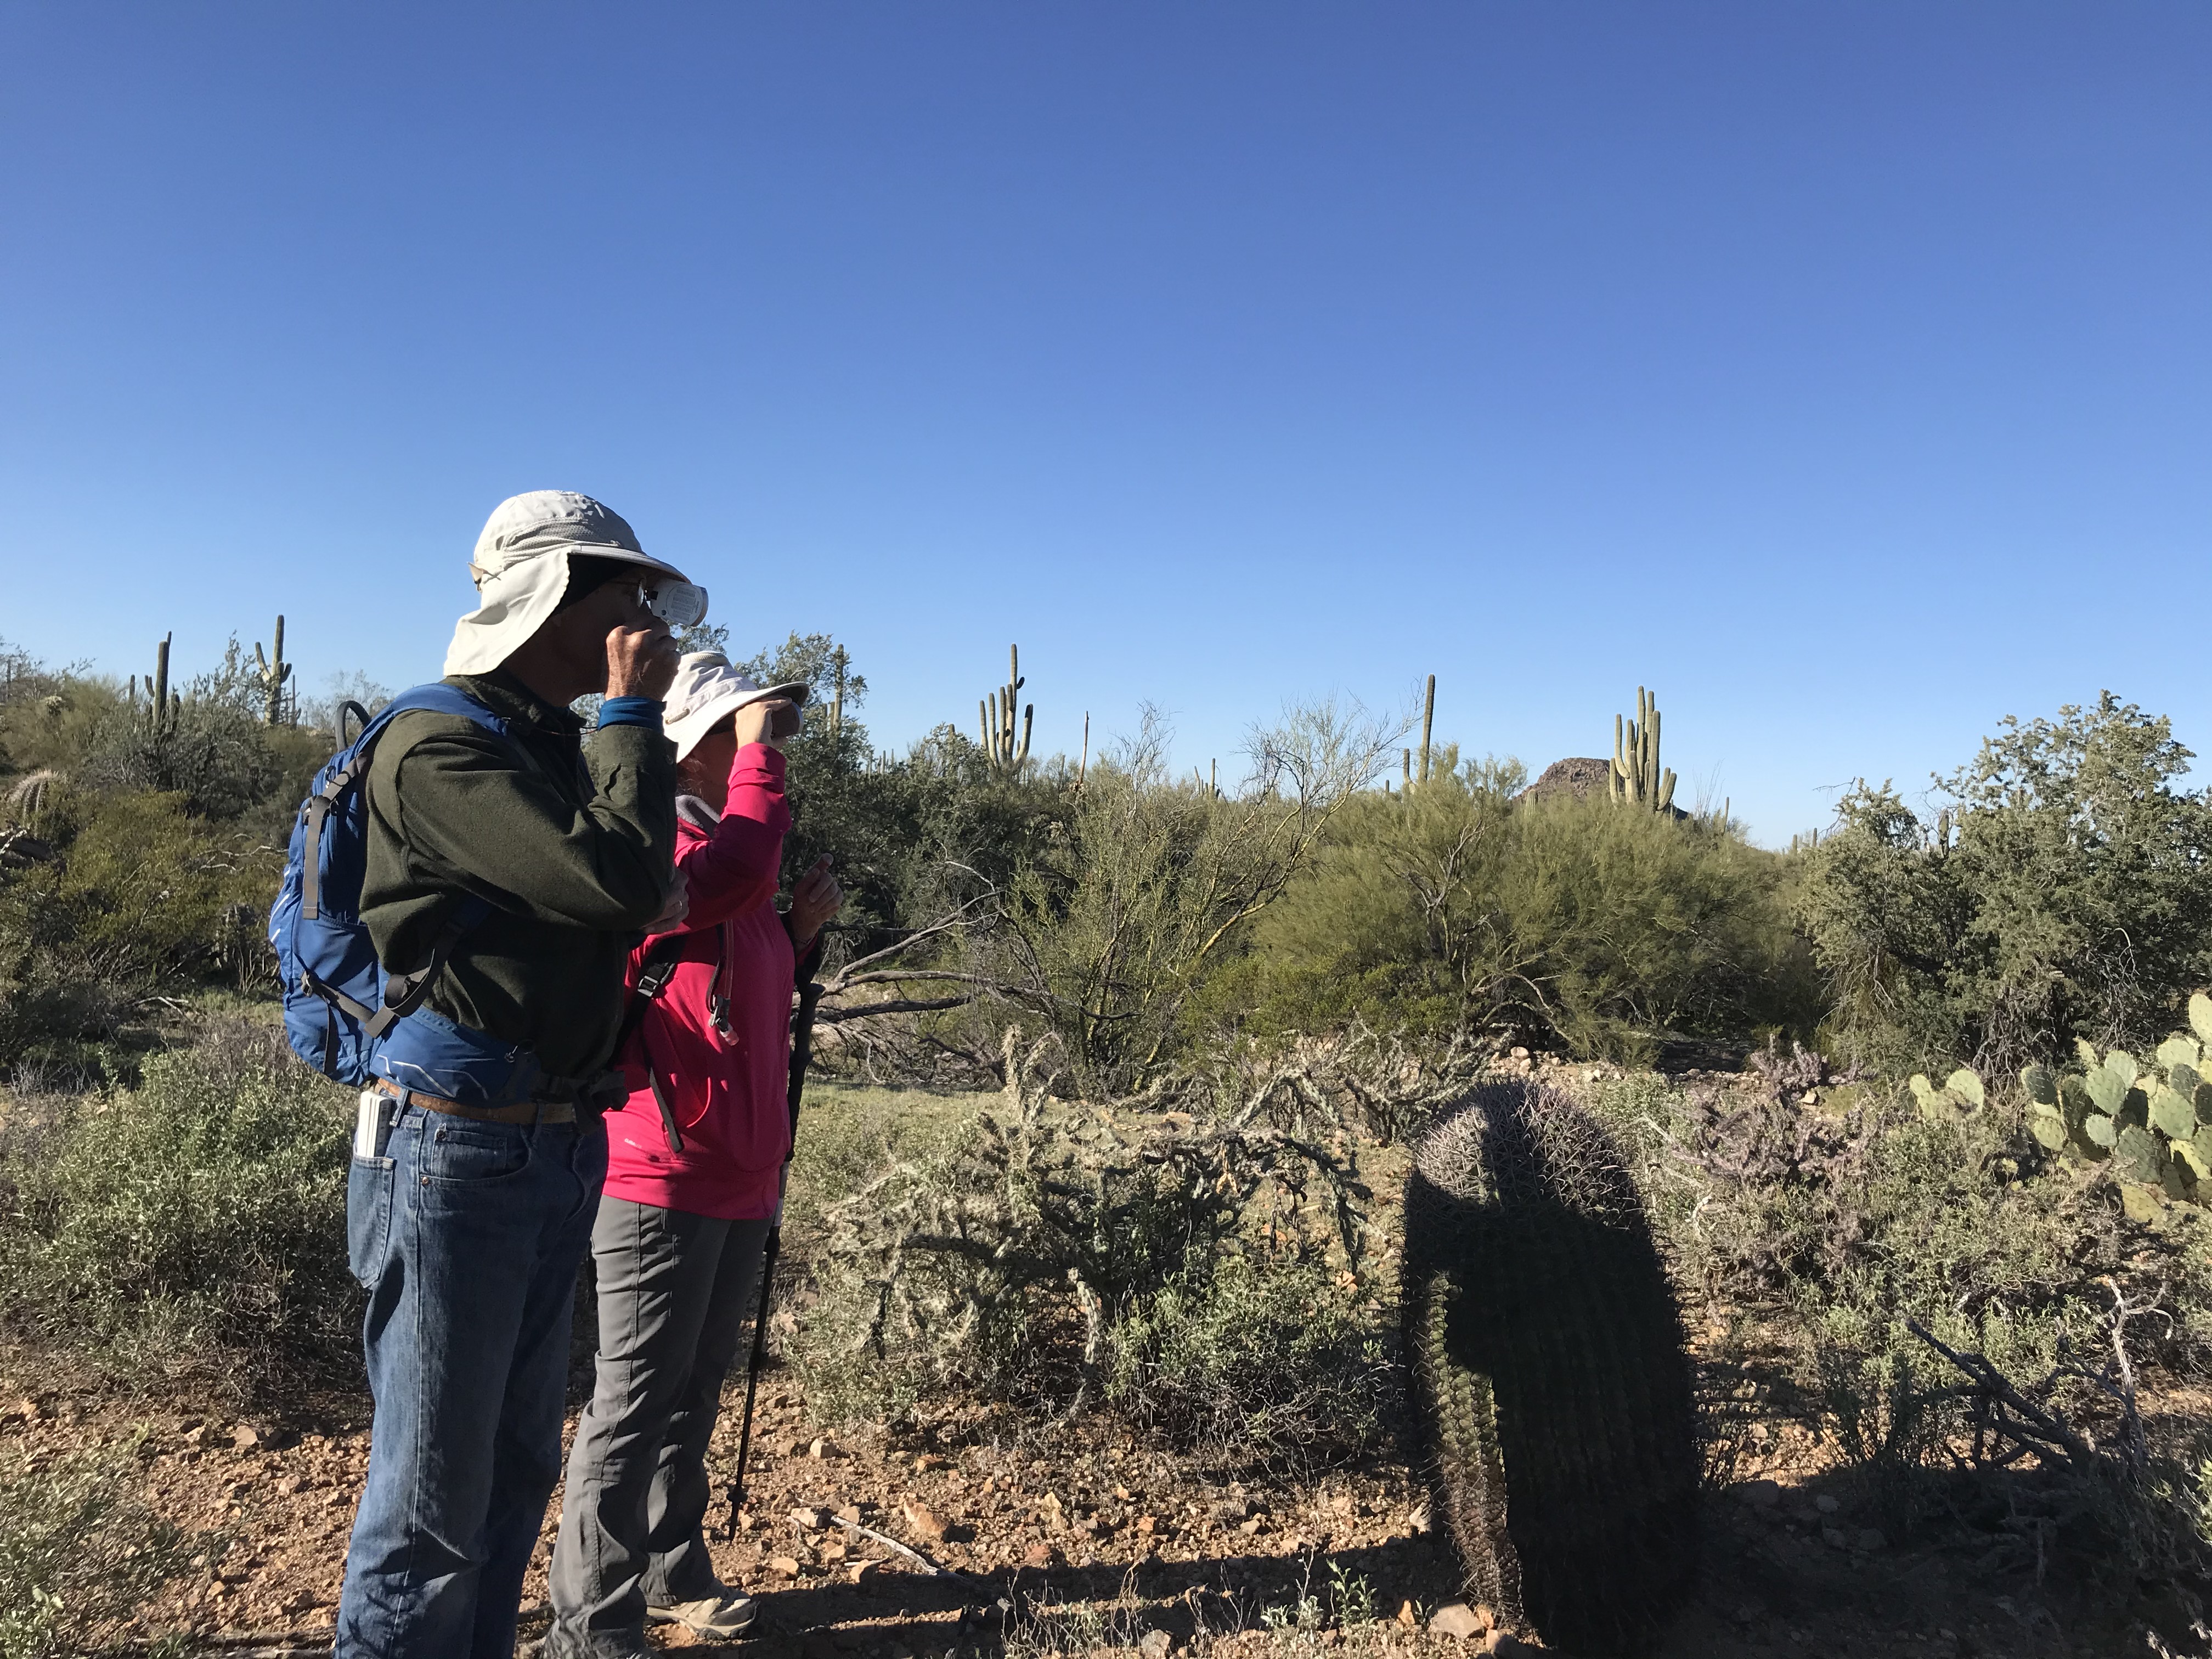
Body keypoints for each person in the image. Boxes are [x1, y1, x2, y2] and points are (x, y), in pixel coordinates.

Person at [338, 490, 695, 1659]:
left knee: (513, 1469)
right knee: (433, 1502)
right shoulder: (436, 742)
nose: (645, 609)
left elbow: (636, 884)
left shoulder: (548, 742)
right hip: (454, 1142)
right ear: (550, 595)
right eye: (624, 588)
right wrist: (635, 716)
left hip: (550, 1137)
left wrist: (624, 746)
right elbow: (623, 888)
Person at [545, 650, 843, 1657]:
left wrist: (794, 939)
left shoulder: (732, 870)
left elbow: (725, 994)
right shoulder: (660, 853)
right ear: (696, 746)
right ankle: (589, 1624)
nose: (763, 746)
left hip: (737, 1171)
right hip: (657, 1173)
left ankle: (673, 1568)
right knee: (631, 1403)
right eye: (746, 731)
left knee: (691, 1389)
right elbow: (718, 888)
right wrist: (763, 775)